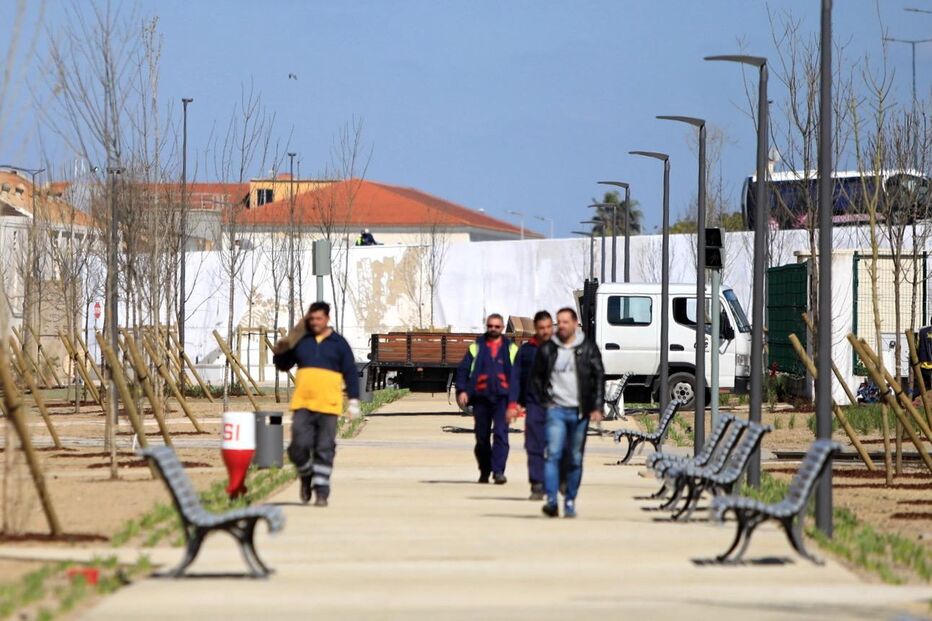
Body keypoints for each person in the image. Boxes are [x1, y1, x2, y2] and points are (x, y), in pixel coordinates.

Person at [272, 301, 360, 507]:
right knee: (297, 448)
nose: (315, 322)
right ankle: (306, 474)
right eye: (311, 319)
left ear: (327, 319)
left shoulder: (339, 344)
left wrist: (354, 401)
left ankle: (321, 492)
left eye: (319, 318)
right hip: (303, 403)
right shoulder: (302, 341)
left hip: (329, 405)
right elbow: (284, 366)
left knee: (324, 448)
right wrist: (282, 349)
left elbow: (351, 372)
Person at [531, 307, 604, 518]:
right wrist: (545, 402)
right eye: (558, 322)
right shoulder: (548, 349)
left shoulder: (588, 348)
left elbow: (598, 376)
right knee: (553, 454)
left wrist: (597, 407)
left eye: (565, 322)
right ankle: (552, 501)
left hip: (580, 412)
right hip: (556, 410)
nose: (560, 325)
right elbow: (535, 378)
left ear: (574, 324)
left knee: (574, 458)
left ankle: (570, 500)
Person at [455, 313, 518, 484]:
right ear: (487, 326)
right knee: (482, 438)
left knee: (501, 435)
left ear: (502, 328)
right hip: (481, 398)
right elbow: (462, 370)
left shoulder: (511, 349)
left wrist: (517, 400)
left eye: (497, 327)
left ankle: (498, 472)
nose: (493, 329)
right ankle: (485, 470)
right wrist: (462, 390)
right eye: (490, 326)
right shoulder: (476, 347)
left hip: (502, 399)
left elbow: (519, 375)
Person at [506, 311, 553, 500]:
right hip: (534, 405)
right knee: (534, 446)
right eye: (541, 328)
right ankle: (537, 484)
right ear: (535, 328)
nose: (545, 332)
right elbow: (515, 378)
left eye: (548, 327)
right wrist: (512, 404)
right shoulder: (525, 351)